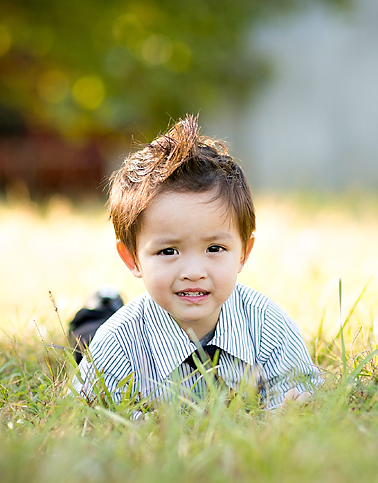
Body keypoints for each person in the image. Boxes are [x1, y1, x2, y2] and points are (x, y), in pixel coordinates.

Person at [72, 114, 321, 413]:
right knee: (88, 338)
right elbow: (88, 413)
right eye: (168, 251)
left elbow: (300, 392)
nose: (193, 273)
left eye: (214, 248)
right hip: (109, 329)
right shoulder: (117, 343)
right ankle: (103, 304)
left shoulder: (267, 325)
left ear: (243, 252)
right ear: (132, 258)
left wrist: (283, 413)